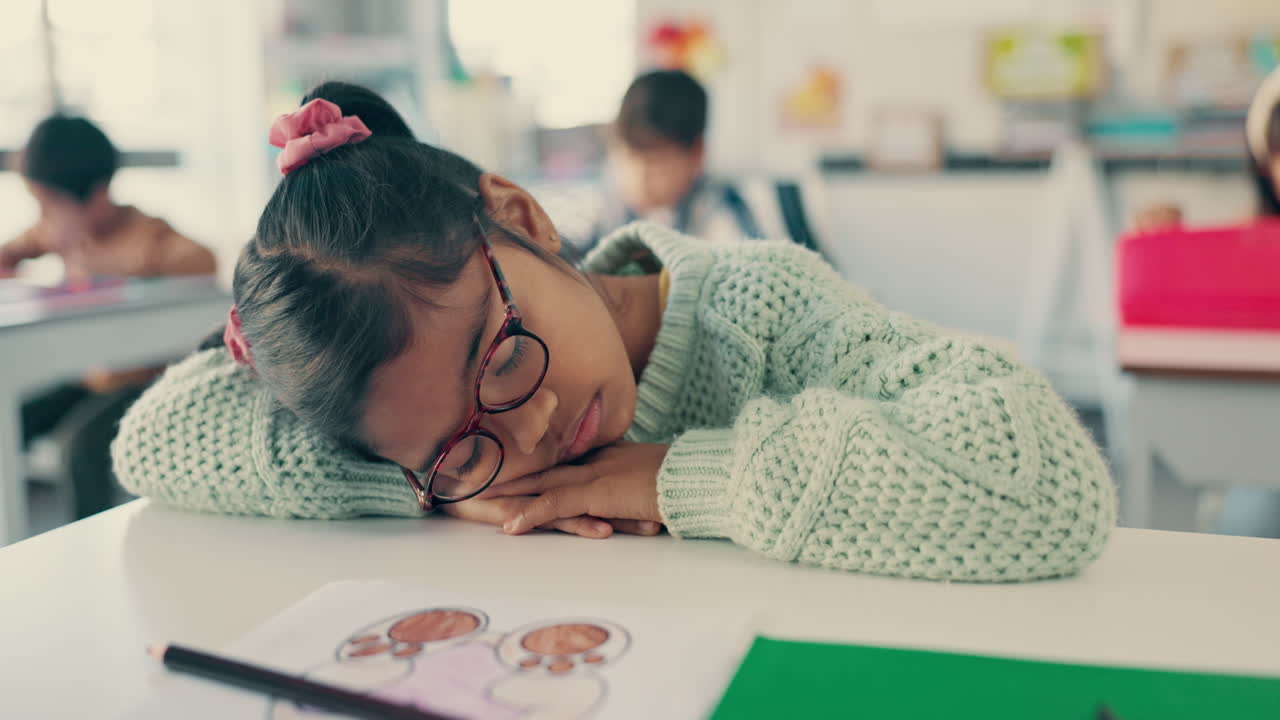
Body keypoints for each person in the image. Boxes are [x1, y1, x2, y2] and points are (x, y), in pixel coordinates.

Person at [113, 83, 1115, 582]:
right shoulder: (444, 444)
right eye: (463, 445)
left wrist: (674, 475)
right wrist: (432, 487)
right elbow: (155, 436)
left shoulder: (759, 308)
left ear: (523, 215)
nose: (533, 427)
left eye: (505, 356)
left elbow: (1042, 484)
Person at [1, 114, 216, 518]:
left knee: (81, 445)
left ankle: (86, 540)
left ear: (98, 195)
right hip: (90, 375)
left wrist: (125, 279)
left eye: (51, 205)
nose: (45, 217)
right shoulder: (57, 231)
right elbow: (7, 255)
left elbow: (204, 262)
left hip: (145, 380)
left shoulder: (149, 237)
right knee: (15, 418)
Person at [584, 70, 760, 247]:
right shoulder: (607, 205)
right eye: (630, 156)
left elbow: (741, 255)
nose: (640, 177)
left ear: (696, 154)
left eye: (656, 161)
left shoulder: (716, 206)